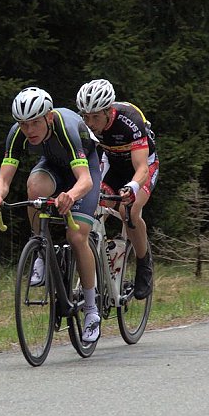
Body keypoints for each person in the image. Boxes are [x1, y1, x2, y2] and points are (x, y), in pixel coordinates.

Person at [0, 87, 104, 342]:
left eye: (35, 123)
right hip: (53, 166)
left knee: (77, 236)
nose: (29, 130)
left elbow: (85, 181)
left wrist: (70, 195)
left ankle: (91, 309)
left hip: (85, 168)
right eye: (23, 124)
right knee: (34, 187)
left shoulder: (66, 128)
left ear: (48, 117)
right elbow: (3, 179)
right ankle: (40, 248)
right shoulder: (17, 134)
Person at [76, 78, 159, 299]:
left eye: (95, 117)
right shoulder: (84, 125)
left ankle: (144, 263)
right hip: (111, 164)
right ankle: (99, 259)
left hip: (141, 167)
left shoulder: (130, 120)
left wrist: (132, 187)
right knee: (90, 205)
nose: (90, 123)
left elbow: (141, 168)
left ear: (108, 111)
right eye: (85, 117)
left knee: (128, 211)